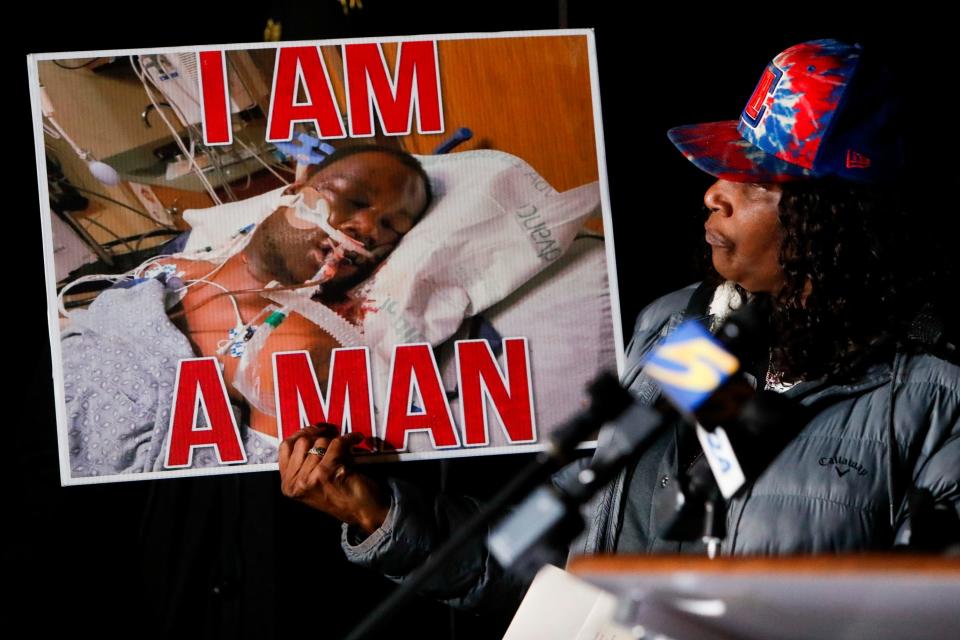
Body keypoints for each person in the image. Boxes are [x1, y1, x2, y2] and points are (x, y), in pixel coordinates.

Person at [277, 39, 959, 615]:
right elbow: (562, 564)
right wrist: (380, 517)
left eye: (754, 181)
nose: (712, 191)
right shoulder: (680, 333)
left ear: (836, 220)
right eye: (724, 168)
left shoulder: (934, 398)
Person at [62, 145, 431, 475]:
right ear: (293, 194)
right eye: (355, 200)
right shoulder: (169, 271)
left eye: (390, 228)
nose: (367, 229)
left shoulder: (298, 348)